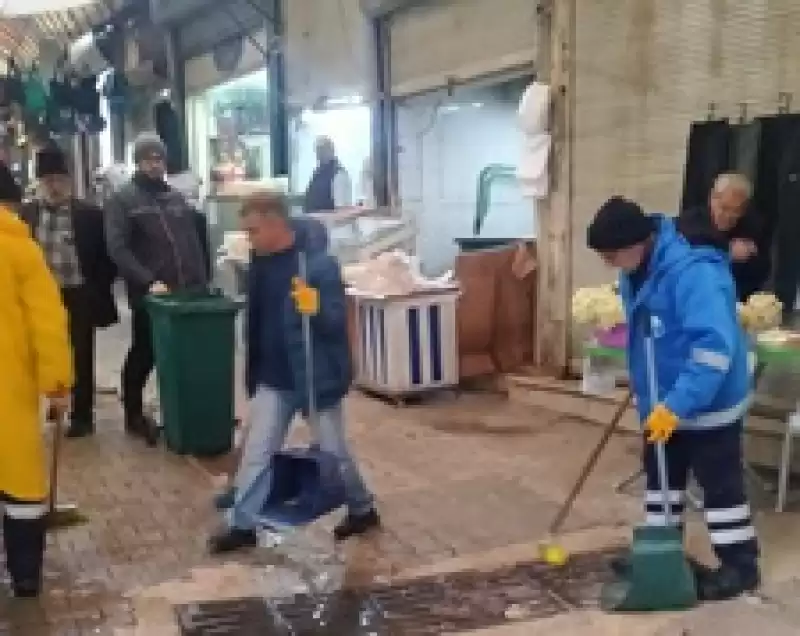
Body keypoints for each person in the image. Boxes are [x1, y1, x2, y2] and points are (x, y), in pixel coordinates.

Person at [587, 196, 759, 602]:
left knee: (720, 490)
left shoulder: (694, 272)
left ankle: (740, 566)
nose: (609, 263)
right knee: (662, 482)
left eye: (612, 254)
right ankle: (660, 557)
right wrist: (654, 397)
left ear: (638, 241)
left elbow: (714, 350)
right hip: (665, 400)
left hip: (709, 402)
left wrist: (677, 405)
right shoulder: (641, 268)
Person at [208, 191, 378, 554]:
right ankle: (242, 525)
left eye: (253, 230)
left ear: (276, 224)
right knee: (258, 451)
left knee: (334, 452)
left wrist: (315, 308)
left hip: (314, 375)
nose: (248, 238)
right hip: (274, 376)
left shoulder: (318, 265)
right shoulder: (259, 262)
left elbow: (335, 321)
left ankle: (362, 509)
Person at [105, 132, 211, 445]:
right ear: (137, 162)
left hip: (185, 293)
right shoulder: (123, 200)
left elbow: (191, 243)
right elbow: (117, 248)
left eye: (158, 158)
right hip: (150, 296)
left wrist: (202, 283)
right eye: (147, 158)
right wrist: (148, 280)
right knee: (145, 351)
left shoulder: (174, 197)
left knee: (182, 355)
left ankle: (182, 410)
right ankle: (134, 414)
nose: (154, 164)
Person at [0, 161, 73, 598]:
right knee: (20, 480)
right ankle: (25, 576)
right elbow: (46, 321)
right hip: (9, 390)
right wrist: (58, 382)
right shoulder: (18, 248)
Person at [20, 145, 118, 438]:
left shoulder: (89, 215)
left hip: (79, 293)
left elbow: (106, 257)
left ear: (69, 181)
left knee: (81, 354)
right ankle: (54, 401)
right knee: (44, 353)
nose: (54, 185)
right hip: (40, 298)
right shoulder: (27, 215)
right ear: (39, 183)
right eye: (48, 180)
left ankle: (83, 415)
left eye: (59, 179)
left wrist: (97, 288)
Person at [677, 173, 768, 302]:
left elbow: (761, 271)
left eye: (735, 210)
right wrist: (727, 250)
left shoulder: (752, 227)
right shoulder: (691, 221)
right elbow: (692, 250)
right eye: (724, 208)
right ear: (712, 199)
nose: (728, 216)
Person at [303, 136, 353, 213]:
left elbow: (341, 209)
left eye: (323, 149)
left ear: (331, 150)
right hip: (313, 222)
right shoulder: (317, 174)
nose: (319, 153)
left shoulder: (339, 174)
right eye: (317, 150)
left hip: (330, 223)